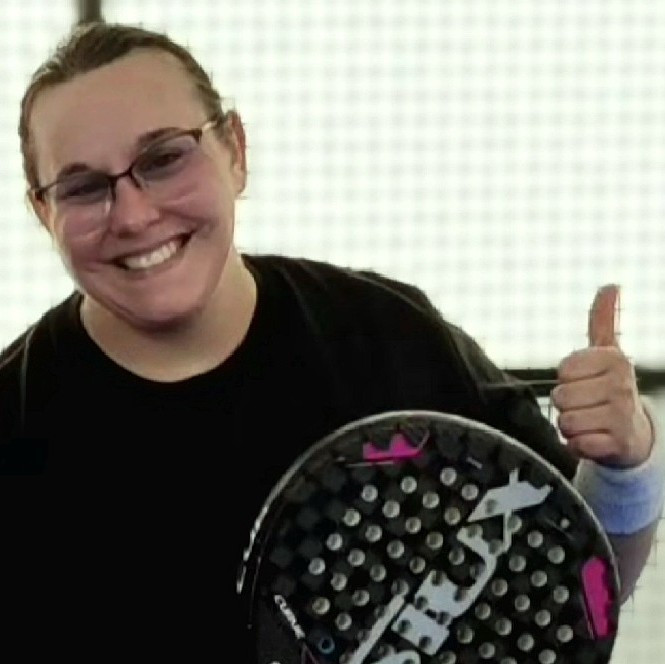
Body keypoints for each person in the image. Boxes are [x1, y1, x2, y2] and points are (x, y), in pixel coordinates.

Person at [0, 21, 662, 658]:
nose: (134, 214)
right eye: (82, 187)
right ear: (42, 211)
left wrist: (624, 467)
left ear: (235, 151)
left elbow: (562, 594)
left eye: (165, 157)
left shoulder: (388, 337)